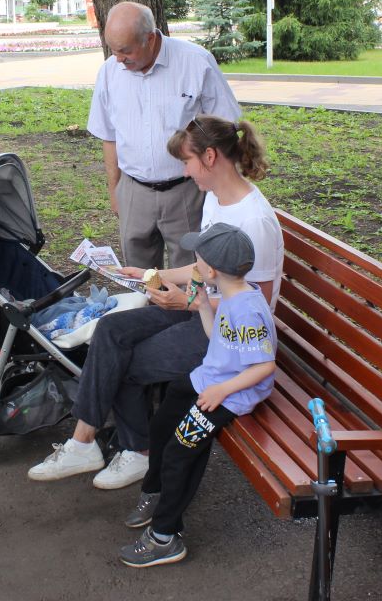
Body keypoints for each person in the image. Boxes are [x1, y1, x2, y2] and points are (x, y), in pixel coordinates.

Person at [29, 114, 283, 491]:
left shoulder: (253, 219)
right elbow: (204, 268)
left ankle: (138, 451)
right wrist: (154, 274)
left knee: (126, 361)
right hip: (202, 312)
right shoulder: (216, 199)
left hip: (227, 337)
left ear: (210, 157)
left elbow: (253, 303)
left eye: (187, 161)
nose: (184, 172)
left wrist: (190, 302)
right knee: (112, 329)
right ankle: (85, 443)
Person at [116, 223, 276, 567]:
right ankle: (155, 492)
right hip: (212, 377)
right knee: (162, 424)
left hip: (232, 392)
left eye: (197, 260)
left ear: (212, 270)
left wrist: (222, 390)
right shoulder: (232, 297)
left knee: (179, 451)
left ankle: (165, 537)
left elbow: (263, 368)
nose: (195, 264)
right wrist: (204, 304)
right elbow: (216, 338)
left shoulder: (248, 309)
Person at [87, 1, 241, 272]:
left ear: (149, 38)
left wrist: (220, 188)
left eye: (125, 51)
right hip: (133, 190)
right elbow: (108, 136)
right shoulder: (110, 72)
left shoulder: (195, 62)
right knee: (138, 276)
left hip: (187, 191)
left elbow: (225, 128)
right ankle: (146, 314)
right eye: (113, 50)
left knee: (191, 272)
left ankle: (184, 315)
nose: (119, 59)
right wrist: (115, 190)